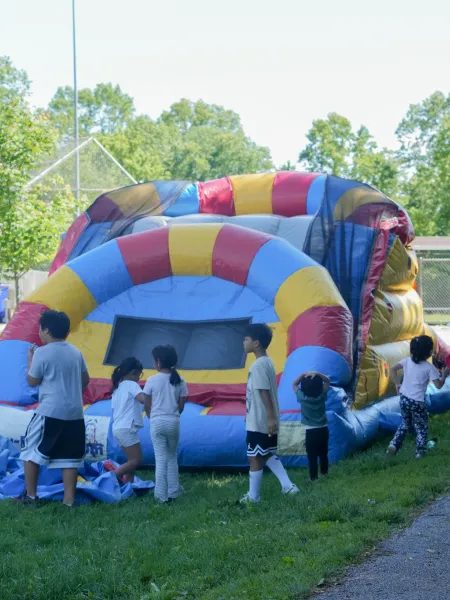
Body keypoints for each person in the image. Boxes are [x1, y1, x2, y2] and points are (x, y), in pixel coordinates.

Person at [16, 310, 90, 506]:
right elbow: (85, 379)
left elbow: (33, 380)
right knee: (70, 458)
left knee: (30, 450)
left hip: (49, 411)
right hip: (75, 412)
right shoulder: (75, 352)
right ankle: (69, 501)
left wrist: (30, 360)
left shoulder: (42, 352)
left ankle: (31, 496)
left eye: (40, 329)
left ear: (46, 330)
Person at [240, 323, 299, 503]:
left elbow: (263, 391)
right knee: (265, 453)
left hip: (260, 421)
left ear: (256, 343)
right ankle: (288, 486)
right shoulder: (268, 361)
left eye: (246, 339)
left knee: (253, 456)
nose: (243, 342)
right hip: (260, 418)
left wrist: (270, 417)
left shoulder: (258, 365)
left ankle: (253, 496)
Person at [387, 335, 449, 459]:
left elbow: (393, 369)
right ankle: (420, 452)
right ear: (430, 352)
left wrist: (397, 384)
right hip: (418, 402)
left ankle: (394, 444)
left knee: (405, 423)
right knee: (421, 427)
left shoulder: (407, 361)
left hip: (404, 399)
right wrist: (443, 375)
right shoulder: (429, 368)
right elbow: (438, 386)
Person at [143, 345, 187, 503]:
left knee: (160, 458)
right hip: (173, 421)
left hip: (157, 421)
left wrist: (152, 417)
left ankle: (160, 495)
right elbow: (181, 406)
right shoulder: (180, 380)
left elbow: (147, 404)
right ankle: (173, 491)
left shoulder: (152, 380)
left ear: (158, 362)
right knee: (172, 456)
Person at [110, 357, 148, 483]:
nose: (139, 378)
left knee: (131, 460)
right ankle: (112, 477)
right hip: (127, 428)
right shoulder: (132, 384)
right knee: (136, 460)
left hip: (118, 428)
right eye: (139, 375)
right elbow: (142, 399)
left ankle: (128, 484)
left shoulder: (117, 389)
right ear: (133, 373)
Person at [293, 371, 330, 481]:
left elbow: (294, 384)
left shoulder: (303, 398)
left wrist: (302, 374)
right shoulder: (322, 395)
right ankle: (324, 473)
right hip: (324, 429)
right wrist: (317, 373)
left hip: (311, 432)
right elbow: (327, 381)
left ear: (303, 388)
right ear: (319, 386)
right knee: (323, 454)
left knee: (312, 456)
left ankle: (313, 478)